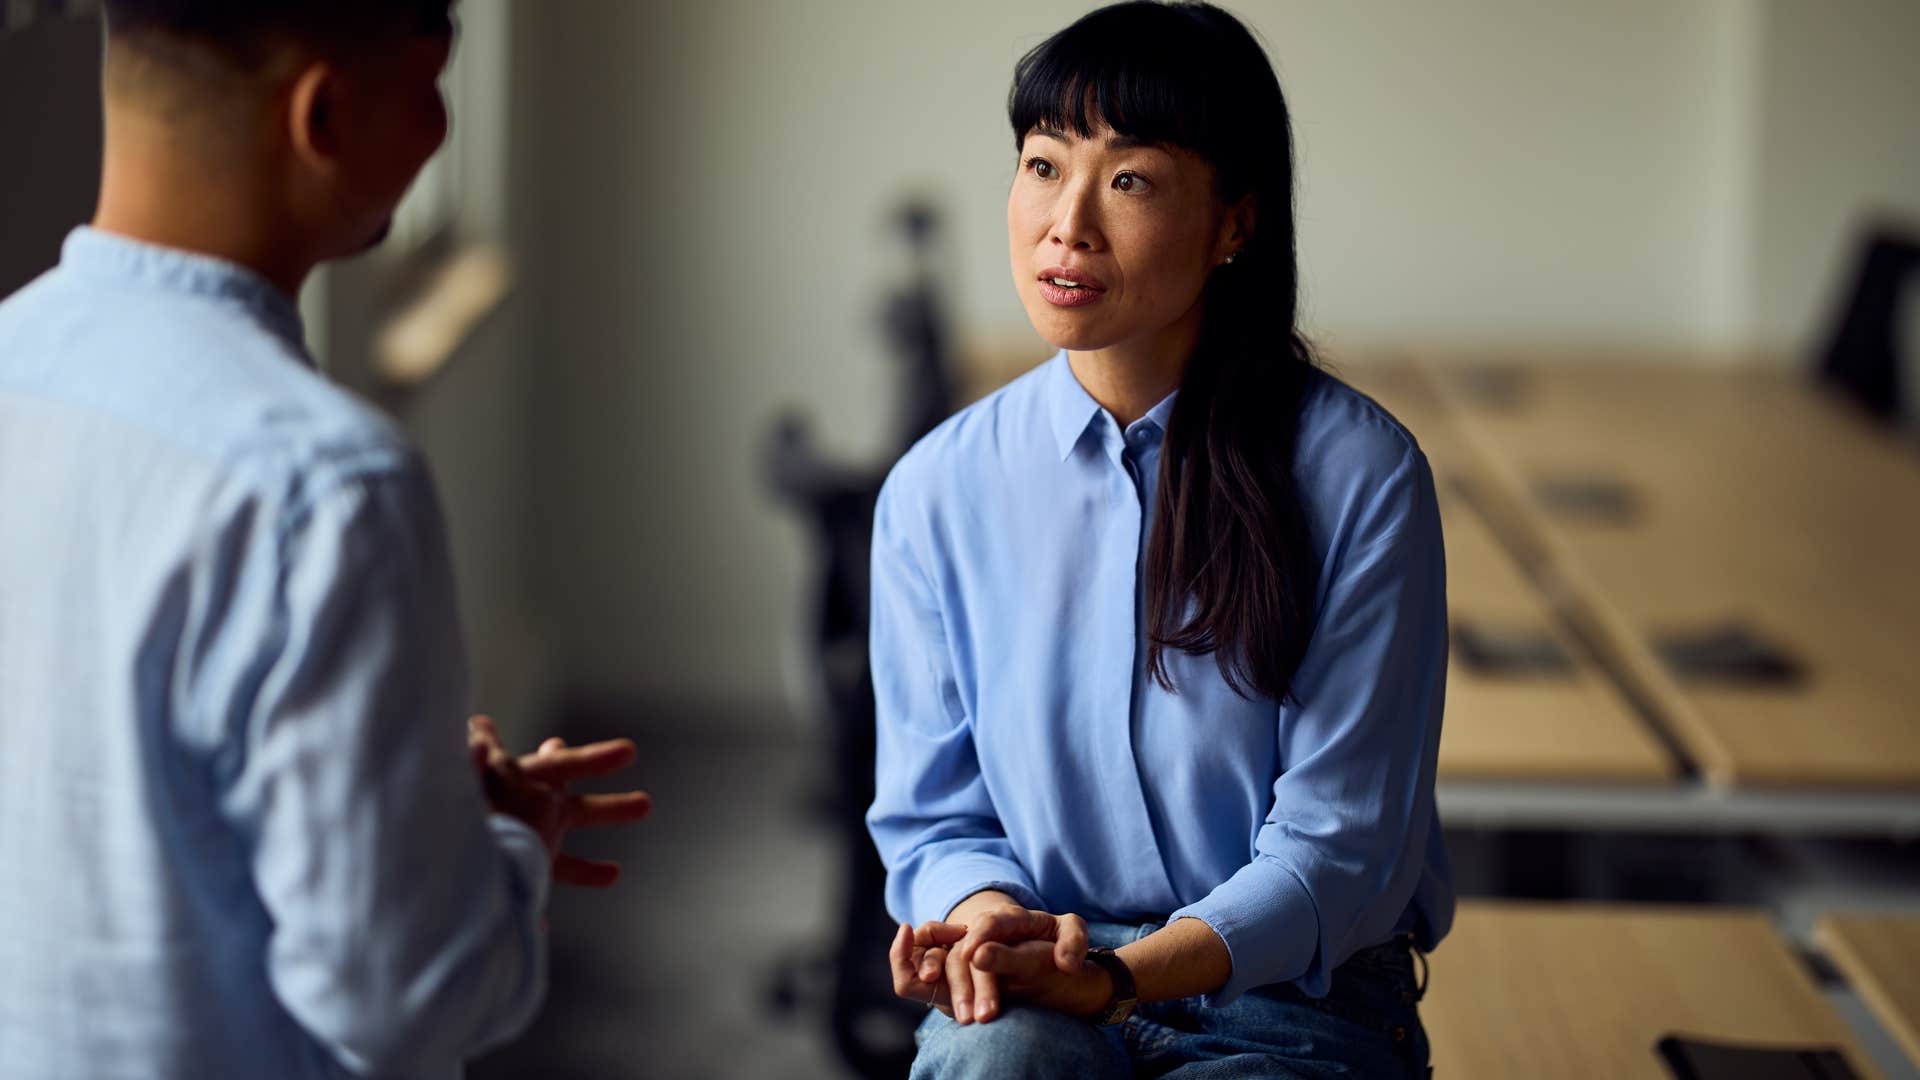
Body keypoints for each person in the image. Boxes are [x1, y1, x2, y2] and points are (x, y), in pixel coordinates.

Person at [0, 2, 650, 1076]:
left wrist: (409, 820)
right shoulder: (329, 486)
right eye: (431, 85)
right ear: (326, 114)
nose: (443, 130)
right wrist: (501, 851)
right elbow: (404, 1004)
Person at [867, 3, 1452, 1076]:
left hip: (1292, 996)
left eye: (1128, 180)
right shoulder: (937, 489)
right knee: (993, 1065)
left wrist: (1128, 977)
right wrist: (994, 924)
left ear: (1235, 222)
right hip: (1051, 969)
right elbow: (933, 815)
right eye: (1043, 166)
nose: (1067, 224)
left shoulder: (1360, 476)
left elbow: (1339, 854)